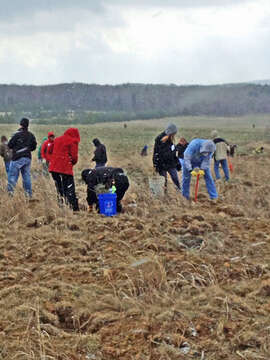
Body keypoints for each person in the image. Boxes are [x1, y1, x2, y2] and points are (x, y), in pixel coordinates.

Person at [49, 128, 80, 211]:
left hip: (53, 168)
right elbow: (74, 156)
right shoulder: (73, 141)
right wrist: (72, 162)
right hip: (65, 168)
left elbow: (50, 150)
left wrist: (53, 159)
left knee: (59, 187)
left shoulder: (57, 139)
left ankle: (61, 205)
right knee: (69, 187)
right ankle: (72, 207)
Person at [7, 118, 37, 197]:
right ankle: (28, 195)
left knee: (12, 176)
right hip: (27, 158)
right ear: (28, 125)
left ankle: (10, 194)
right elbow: (34, 147)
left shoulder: (16, 134)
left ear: (20, 125)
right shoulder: (31, 135)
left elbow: (9, 145)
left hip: (17, 158)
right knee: (26, 177)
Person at [153, 123, 181, 191]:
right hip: (161, 164)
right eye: (174, 133)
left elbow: (173, 153)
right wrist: (155, 164)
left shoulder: (171, 140)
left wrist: (177, 163)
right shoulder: (159, 139)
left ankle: (179, 191)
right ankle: (164, 195)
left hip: (171, 164)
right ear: (171, 132)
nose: (174, 135)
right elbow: (156, 153)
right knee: (163, 181)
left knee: (175, 178)